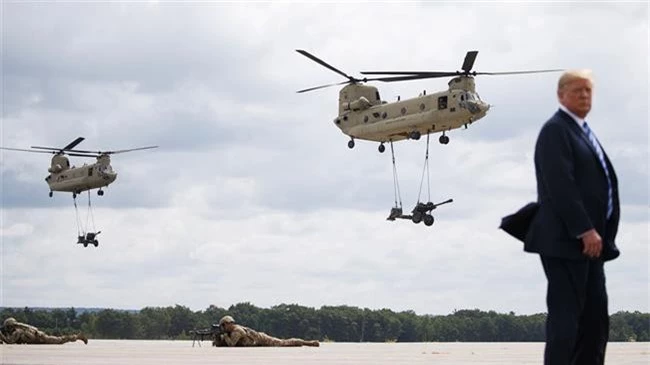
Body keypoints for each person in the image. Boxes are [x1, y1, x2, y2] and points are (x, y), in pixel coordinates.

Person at [526, 69, 620, 365]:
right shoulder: (555, 130)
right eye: (577, 90)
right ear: (560, 95)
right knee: (566, 323)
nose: (584, 96)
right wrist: (584, 229)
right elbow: (560, 185)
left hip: (592, 246)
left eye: (588, 91)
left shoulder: (582, 131)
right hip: (568, 242)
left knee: (594, 324)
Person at [215, 315, 319, 347]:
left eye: (223, 325)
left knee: (284, 343)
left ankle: (308, 343)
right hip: (256, 341)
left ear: (229, 323)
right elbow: (221, 345)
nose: (223, 327)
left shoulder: (237, 331)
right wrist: (217, 337)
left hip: (261, 339)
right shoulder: (231, 332)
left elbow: (231, 344)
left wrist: (224, 335)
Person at [1, 317, 88, 345]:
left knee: (59, 340)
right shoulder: (20, 330)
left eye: (7, 327)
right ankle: (77, 337)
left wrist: (1, 335)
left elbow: (10, 341)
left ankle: (77, 337)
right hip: (39, 338)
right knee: (59, 340)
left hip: (41, 338)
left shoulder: (18, 331)